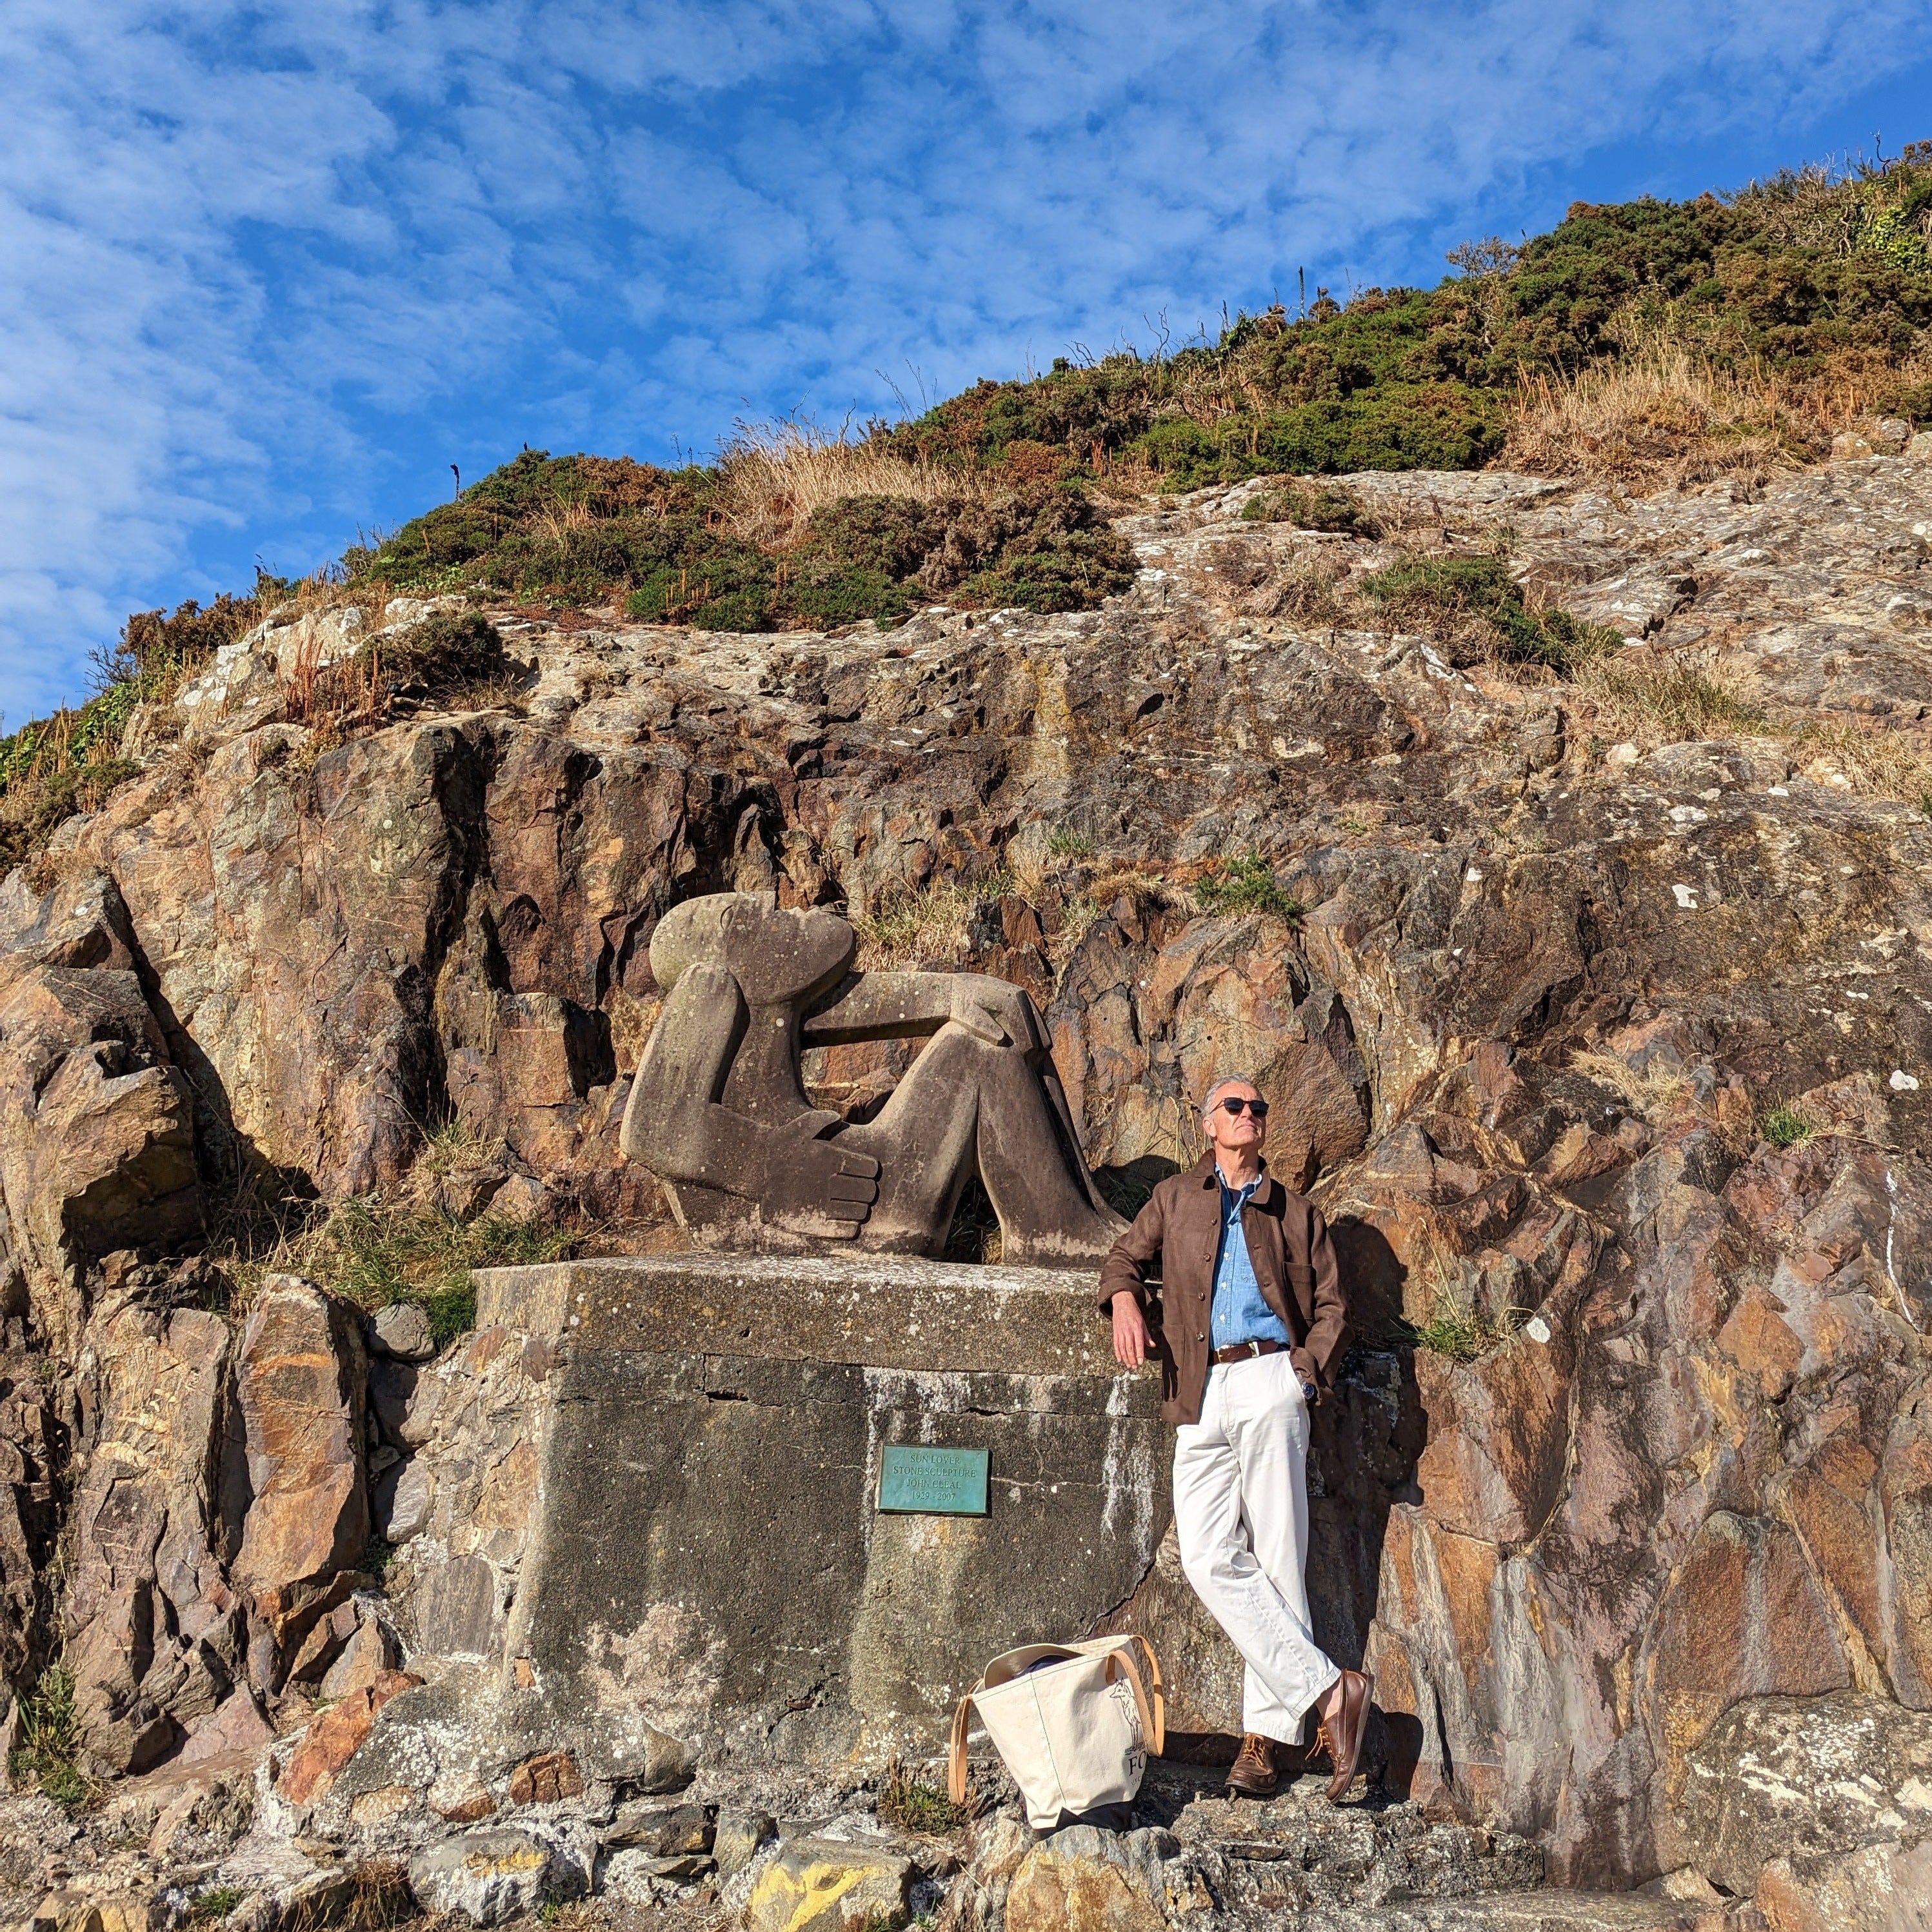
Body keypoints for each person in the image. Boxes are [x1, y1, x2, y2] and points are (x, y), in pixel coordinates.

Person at [1098, 1073, 1371, 1801]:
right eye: (1234, 1105)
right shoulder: (1174, 1200)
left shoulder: (1295, 1211)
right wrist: (1125, 1299)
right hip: (1199, 1386)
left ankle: (1263, 1743)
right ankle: (1331, 1691)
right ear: (1206, 1124)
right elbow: (1122, 1259)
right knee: (1208, 1556)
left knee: (1279, 1555)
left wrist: (1303, 1374)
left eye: (1258, 1106)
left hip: (1270, 1378)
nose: (1248, 1114)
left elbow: (1331, 1306)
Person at [621, 892, 1127, 1262]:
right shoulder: (708, 987)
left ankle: (1081, 1219)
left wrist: (956, 992)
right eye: (745, 916)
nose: (774, 905)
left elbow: (869, 1000)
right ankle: (1053, 1233)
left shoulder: (775, 1006)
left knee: (993, 1022)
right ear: (728, 957)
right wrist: (779, 1171)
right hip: (838, 1204)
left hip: (858, 1191)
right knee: (981, 1046)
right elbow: (653, 1127)